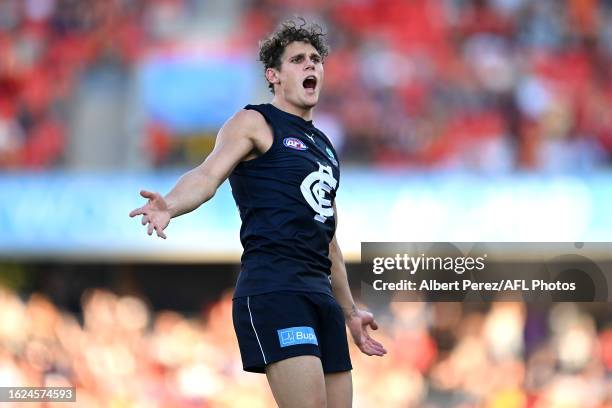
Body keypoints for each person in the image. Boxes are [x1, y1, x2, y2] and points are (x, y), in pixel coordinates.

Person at [129, 18, 386, 407]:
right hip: (276, 288)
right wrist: (172, 204)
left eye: (315, 59)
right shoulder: (255, 122)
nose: (311, 66)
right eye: (298, 60)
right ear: (274, 75)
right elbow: (206, 174)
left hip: (322, 296)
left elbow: (328, 238)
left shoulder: (325, 148)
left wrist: (350, 311)